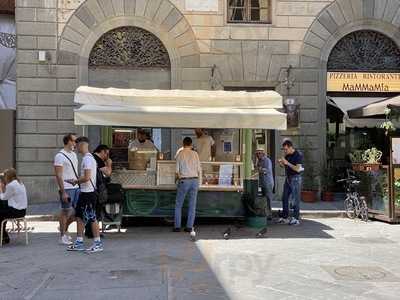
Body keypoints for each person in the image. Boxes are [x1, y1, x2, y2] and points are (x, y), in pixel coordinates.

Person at [67, 136, 103, 253]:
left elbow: (87, 178)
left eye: (76, 146)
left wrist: (75, 181)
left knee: (92, 218)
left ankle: (97, 244)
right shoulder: (89, 158)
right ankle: (79, 242)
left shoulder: (87, 159)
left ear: (82, 145)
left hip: (88, 193)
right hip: (85, 193)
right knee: (79, 217)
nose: (75, 148)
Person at [54, 133, 79, 245]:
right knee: (65, 212)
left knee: (77, 212)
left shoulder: (73, 154)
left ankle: (63, 228)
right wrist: (63, 192)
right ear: (68, 141)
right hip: (66, 188)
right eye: (74, 141)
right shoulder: (59, 156)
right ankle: (62, 235)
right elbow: (59, 175)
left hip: (76, 187)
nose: (75, 143)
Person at [174, 137, 201, 232]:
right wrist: (199, 183)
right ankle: (189, 227)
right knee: (192, 205)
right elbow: (199, 169)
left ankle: (177, 227)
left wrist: (176, 180)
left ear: (183, 143)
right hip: (195, 181)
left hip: (184, 181)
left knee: (178, 205)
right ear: (191, 144)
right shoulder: (196, 154)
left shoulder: (180, 154)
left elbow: (177, 171)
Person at [84, 144, 112, 238]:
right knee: (95, 212)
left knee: (92, 211)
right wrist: (109, 164)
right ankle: (92, 232)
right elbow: (108, 173)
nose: (107, 156)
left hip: (91, 188)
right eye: (107, 154)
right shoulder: (98, 159)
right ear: (103, 151)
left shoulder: (91, 157)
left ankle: (90, 231)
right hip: (96, 189)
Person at [278, 140, 304, 226]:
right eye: (284, 149)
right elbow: (284, 166)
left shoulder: (298, 155)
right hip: (288, 179)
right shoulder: (287, 155)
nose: (285, 151)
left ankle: (296, 218)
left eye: (286, 149)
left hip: (295, 179)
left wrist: (287, 163)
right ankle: (285, 217)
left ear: (290, 147)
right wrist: (281, 163)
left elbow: (297, 168)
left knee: (295, 199)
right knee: (284, 197)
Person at [0, 169, 28, 245]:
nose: (4, 178)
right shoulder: (20, 183)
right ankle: (4, 237)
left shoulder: (11, 185)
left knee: (1, 214)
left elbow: (3, 197)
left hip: (15, 211)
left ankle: (3, 237)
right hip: (22, 211)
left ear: (8, 177)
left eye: (5, 176)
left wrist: (1, 189)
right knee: (2, 214)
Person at [255, 148, 274, 221]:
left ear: (263, 153)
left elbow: (267, 170)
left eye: (260, 153)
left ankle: (269, 215)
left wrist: (260, 169)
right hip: (263, 183)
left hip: (268, 182)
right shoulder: (259, 161)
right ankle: (265, 213)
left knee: (268, 199)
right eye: (257, 153)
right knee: (264, 199)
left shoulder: (267, 160)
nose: (258, 155)